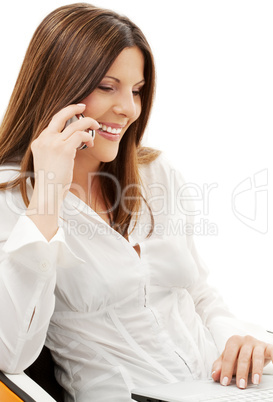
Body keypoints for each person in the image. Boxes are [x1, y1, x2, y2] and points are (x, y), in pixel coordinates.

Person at [0, 3, 272, 401]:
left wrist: (235, 338)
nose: (128, 108)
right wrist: (48, 196)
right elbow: (10, 354)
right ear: (58, 88)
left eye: (137, 90)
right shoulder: (13, 198)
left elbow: (197, 293)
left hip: (223, 388)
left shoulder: (155, 173)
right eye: (107, 87)